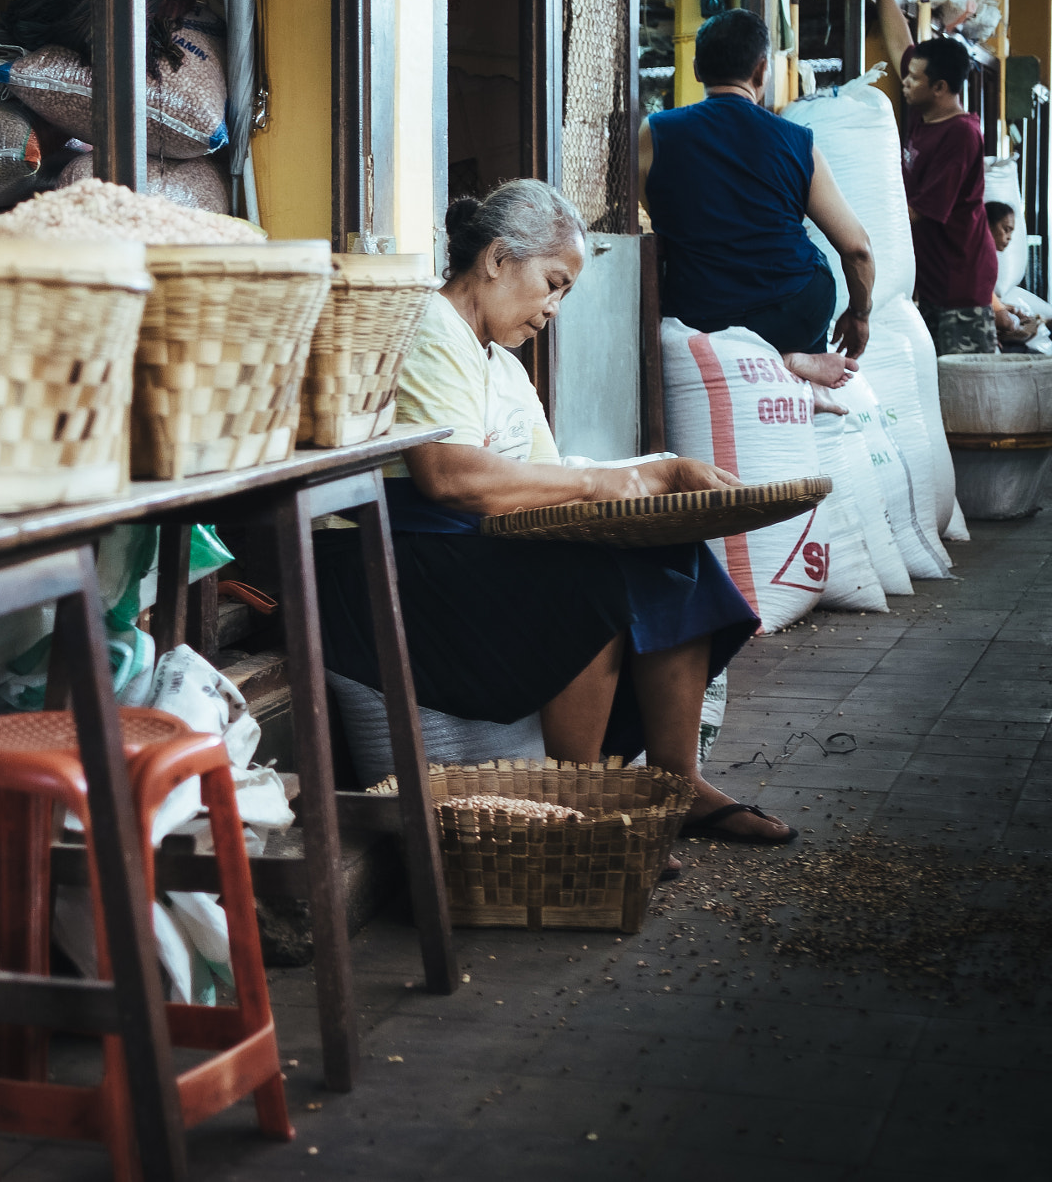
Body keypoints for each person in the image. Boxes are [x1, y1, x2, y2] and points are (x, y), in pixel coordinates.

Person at [313, 180, 796, 847]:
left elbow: (556, 477)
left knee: (674, 560)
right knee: (588, 583)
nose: (554, 307)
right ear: (496, 259)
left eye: (564, 292)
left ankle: (676, 782)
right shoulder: (429, 326)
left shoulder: (504, 368)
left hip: (473, 546)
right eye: (552, 282)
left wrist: (657, 478)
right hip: (395, 559)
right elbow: (449, 476)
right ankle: (576, 806)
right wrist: (620, 481)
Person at [639, 8, 877, 408]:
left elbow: (651, 209)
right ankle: (795, 365)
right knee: (811, 267)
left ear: (696, 69)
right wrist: (860, 313)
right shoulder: (796, 141)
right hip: (793, 311)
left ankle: (788, 367)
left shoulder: (657, 131)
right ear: (763, 70)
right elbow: (857, 249)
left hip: (701, 312)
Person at [860, 0, 1002, 355]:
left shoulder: (960, 135)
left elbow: (920, 211)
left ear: (940, 88)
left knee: (962, 385)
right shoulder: (925, 113)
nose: (905, 83)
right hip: (933, 277)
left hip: (960, 284)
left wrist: (842, 215)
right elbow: (899, 40)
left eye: (914, 79)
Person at [984, 202, 1044, 350]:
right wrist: (1012, 319)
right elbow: (1004, 322)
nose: (1009, 238)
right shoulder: (981, 263)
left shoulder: (985, 261)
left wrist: (1004, 308)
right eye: (1006, 229)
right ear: (987, 226)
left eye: (1011, 232)